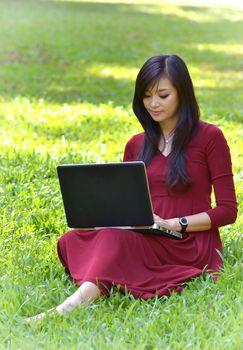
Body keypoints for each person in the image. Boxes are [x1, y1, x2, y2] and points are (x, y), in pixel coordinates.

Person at [26, 54, 237, 321]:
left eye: (163, 95)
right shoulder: (136, 144)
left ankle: (65, 309)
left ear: (182, 94)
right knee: (79, 239)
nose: (153, 103)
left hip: (187, 239)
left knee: (113, 242)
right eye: (147, 96)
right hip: (145, 233)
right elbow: (128, 201)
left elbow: (228, 211)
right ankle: (102, 279)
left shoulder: (210, 137)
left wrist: (175, 223)